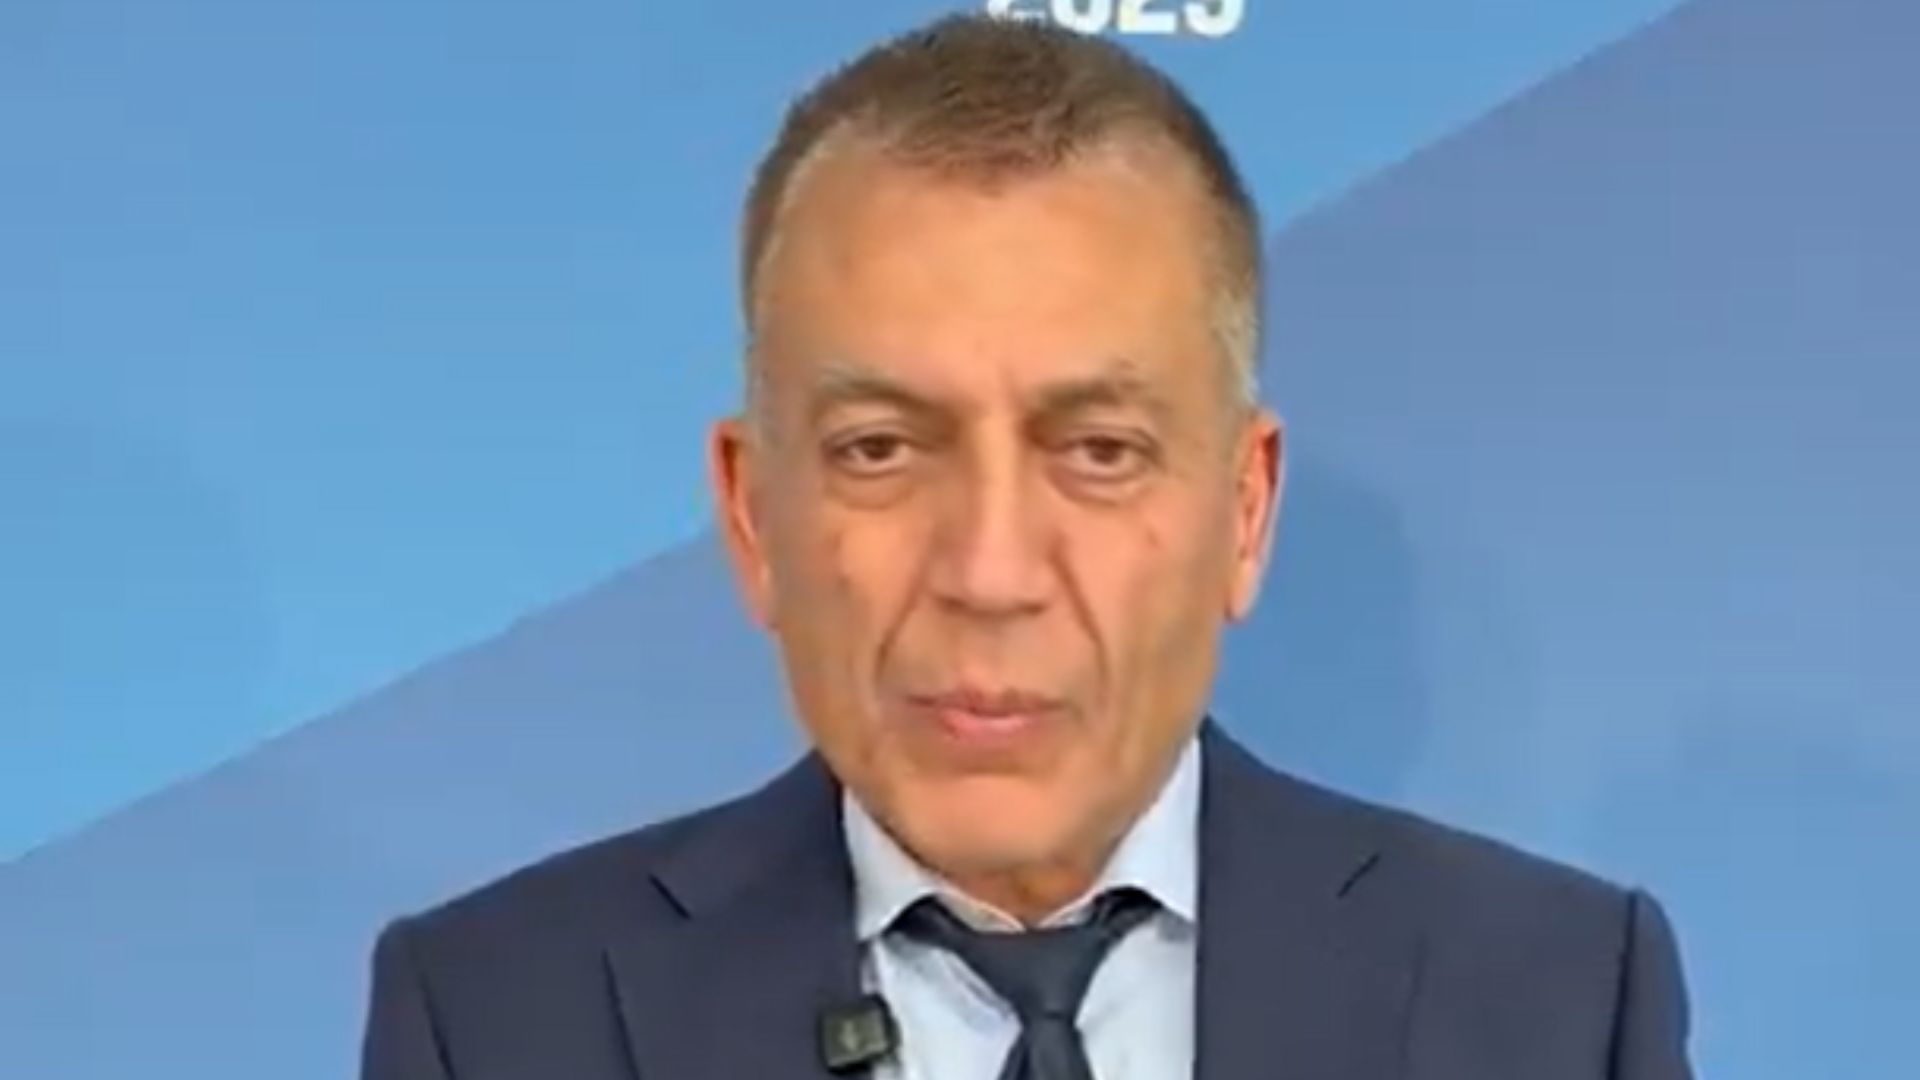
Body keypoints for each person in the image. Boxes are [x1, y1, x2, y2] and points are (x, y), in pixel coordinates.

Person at [360, 14, 1693, 1080]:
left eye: (1098, 451)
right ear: (753, 513)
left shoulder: (1556, 1003)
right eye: (880, 448)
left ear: (1244, 509)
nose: (990, 572)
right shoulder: (501, 1020)